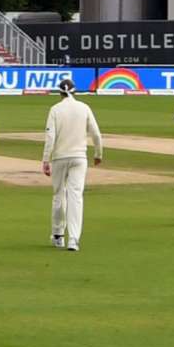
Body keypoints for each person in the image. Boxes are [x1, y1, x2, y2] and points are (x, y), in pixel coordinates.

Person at [42, 79, 103, 251]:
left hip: (60, 157)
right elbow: (96, 134)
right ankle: (73, 239)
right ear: (74, 92)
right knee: (76, 196)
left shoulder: (55, 109)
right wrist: (98, 154)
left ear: (60, 93)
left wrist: (46, 159)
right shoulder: (84, 108)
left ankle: (58, 235)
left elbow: (50, 138)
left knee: (59, 195)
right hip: (79, 157)